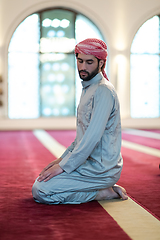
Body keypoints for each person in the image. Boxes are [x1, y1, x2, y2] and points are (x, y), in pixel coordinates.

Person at [32, 38, 128, 204]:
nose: (83, 67)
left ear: (101, 63)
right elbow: (80, 138)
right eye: (80, 61)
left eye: (89, 62)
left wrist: (63, 167)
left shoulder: (103, 91)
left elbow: (91, 138)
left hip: (101, 169)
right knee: (42, 181)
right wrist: (61, 160)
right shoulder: (89, 88)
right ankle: (99, 189)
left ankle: (103, 193)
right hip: (87, 163)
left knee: (42, 191)